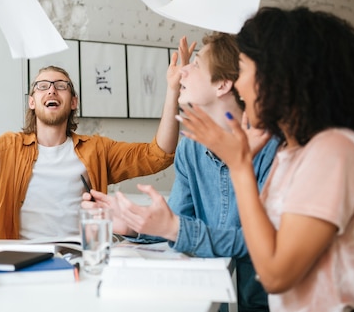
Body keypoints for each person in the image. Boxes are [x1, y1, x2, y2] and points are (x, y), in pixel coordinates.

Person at [178, 7, 354, 311]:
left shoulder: (333, 151)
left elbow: (275, 274)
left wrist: (239, 167)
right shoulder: (293, 152)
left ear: (278, 77)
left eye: (244, 70)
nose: (237, 85)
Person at [0, 37, 196, 240]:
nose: (52, 90)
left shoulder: (97, 149)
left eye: (61, 85)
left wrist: (173, 89)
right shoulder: (6, 148)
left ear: (73, 102)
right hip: (20, 263)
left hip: (82, 259)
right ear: (32, 102)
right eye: (42, 86)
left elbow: (159, 155)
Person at [85, 32, 276, 312]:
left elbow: (260, 242)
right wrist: (132, 224)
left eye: (196, 64)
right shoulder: (190, 148)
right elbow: (177, 223)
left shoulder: (272, 148)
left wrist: (173, 227)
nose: (181, 71)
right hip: (212, 301)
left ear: (223, 84)